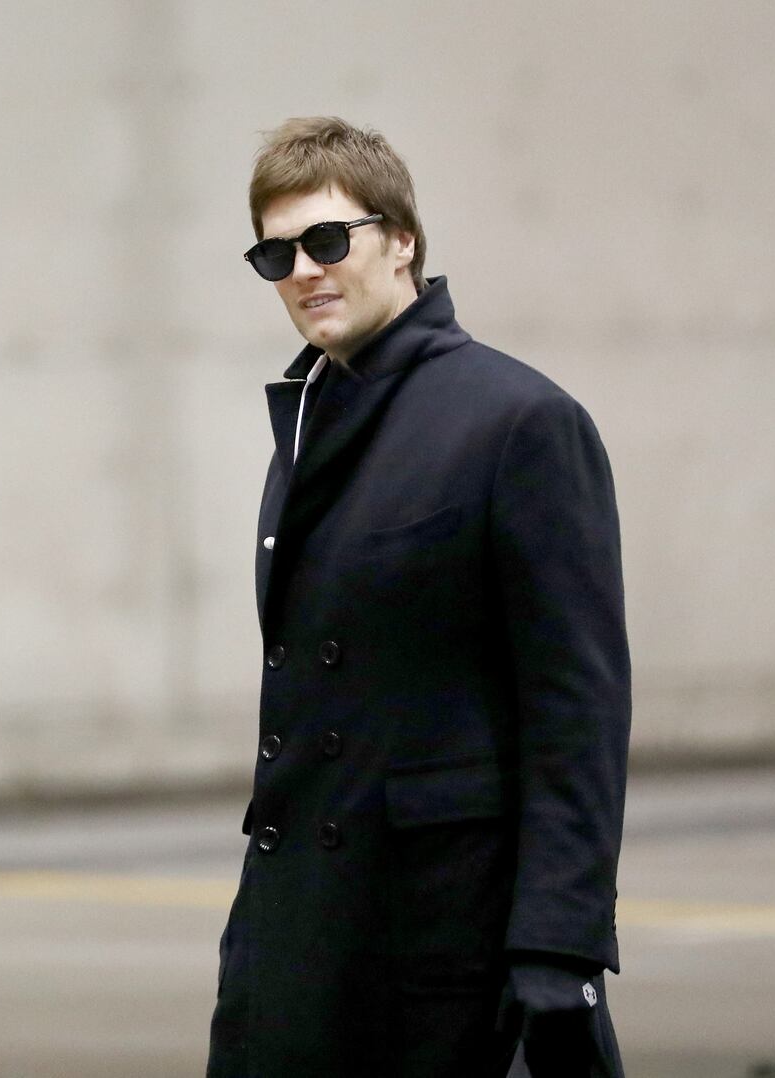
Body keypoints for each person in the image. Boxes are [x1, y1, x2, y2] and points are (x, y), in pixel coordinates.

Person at [206, 116, 631, 1078]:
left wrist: (559, 946)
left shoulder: (519, 421)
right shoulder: (311, 420)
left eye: (327, 240)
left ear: (402, 240)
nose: (304, 271)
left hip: (443, 949)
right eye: (277, 252)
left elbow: (577, 707)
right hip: (298, 929)